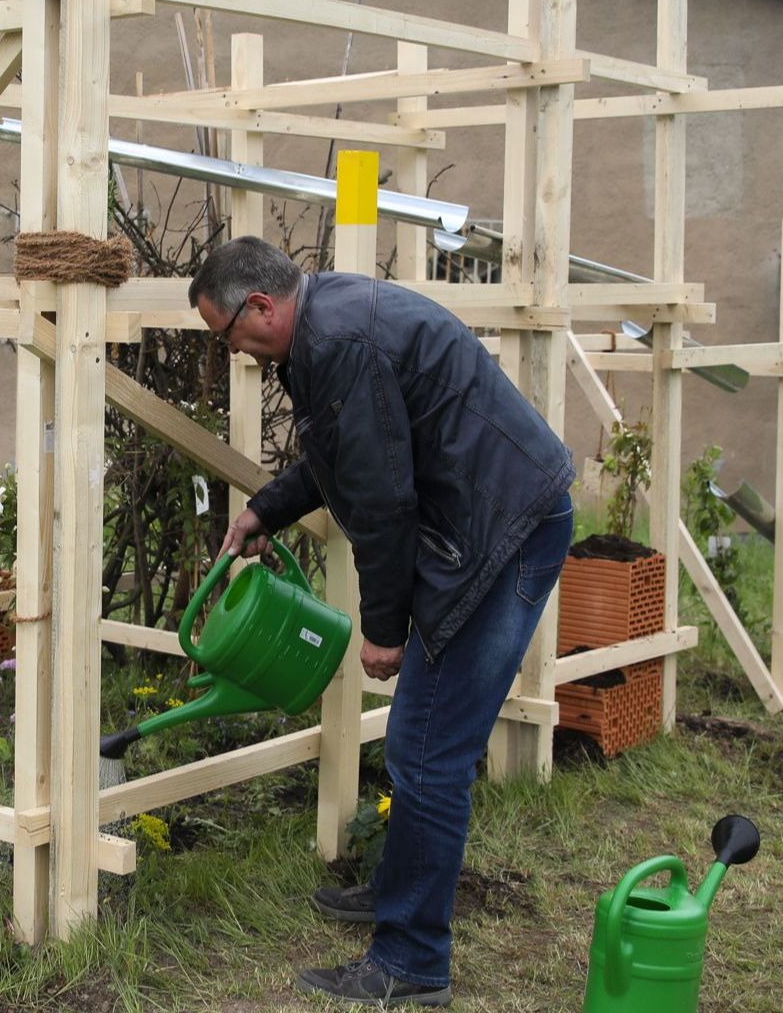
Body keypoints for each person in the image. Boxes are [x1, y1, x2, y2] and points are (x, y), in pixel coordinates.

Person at [193, 236, 575, 1007]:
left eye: (225, 334)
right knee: (420, 740)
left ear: (261, 307)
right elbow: (347, 455)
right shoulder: (323, 328)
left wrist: (385, 626)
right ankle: (400, 892)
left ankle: (410, 961)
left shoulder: (338, 344)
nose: (229, 350)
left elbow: (382, 503)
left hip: (503, 527)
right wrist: (267, 508)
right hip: (485, 513)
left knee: (429, 748)